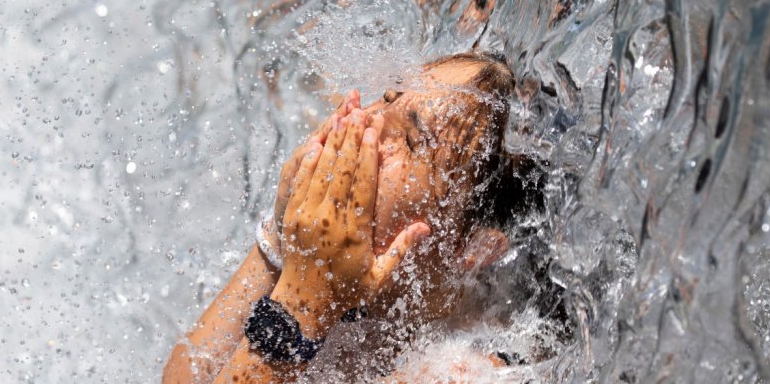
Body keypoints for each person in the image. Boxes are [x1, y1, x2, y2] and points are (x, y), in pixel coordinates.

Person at [163, 52, 545, 383]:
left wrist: (303, 303)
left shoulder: (465, 371)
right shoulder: (354, 292)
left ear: (474, 248)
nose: (366, 124)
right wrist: (281, 246)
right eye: (388, 99)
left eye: (410, 139)